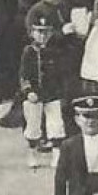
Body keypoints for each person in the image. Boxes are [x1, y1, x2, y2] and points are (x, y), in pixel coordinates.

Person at [20, 17, 69, 169]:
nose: (43, 36)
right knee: (33, 124)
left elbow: (60, 73)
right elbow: (23, 75)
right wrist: (28, 91)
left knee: (56, 124)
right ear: (32, 33)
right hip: (34, 94)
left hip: (52, 92)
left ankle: (56, 155)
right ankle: (32, 154)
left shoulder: (54, 52)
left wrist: (61, 92)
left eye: (46, 32)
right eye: (39, 32)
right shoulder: (29, 52)